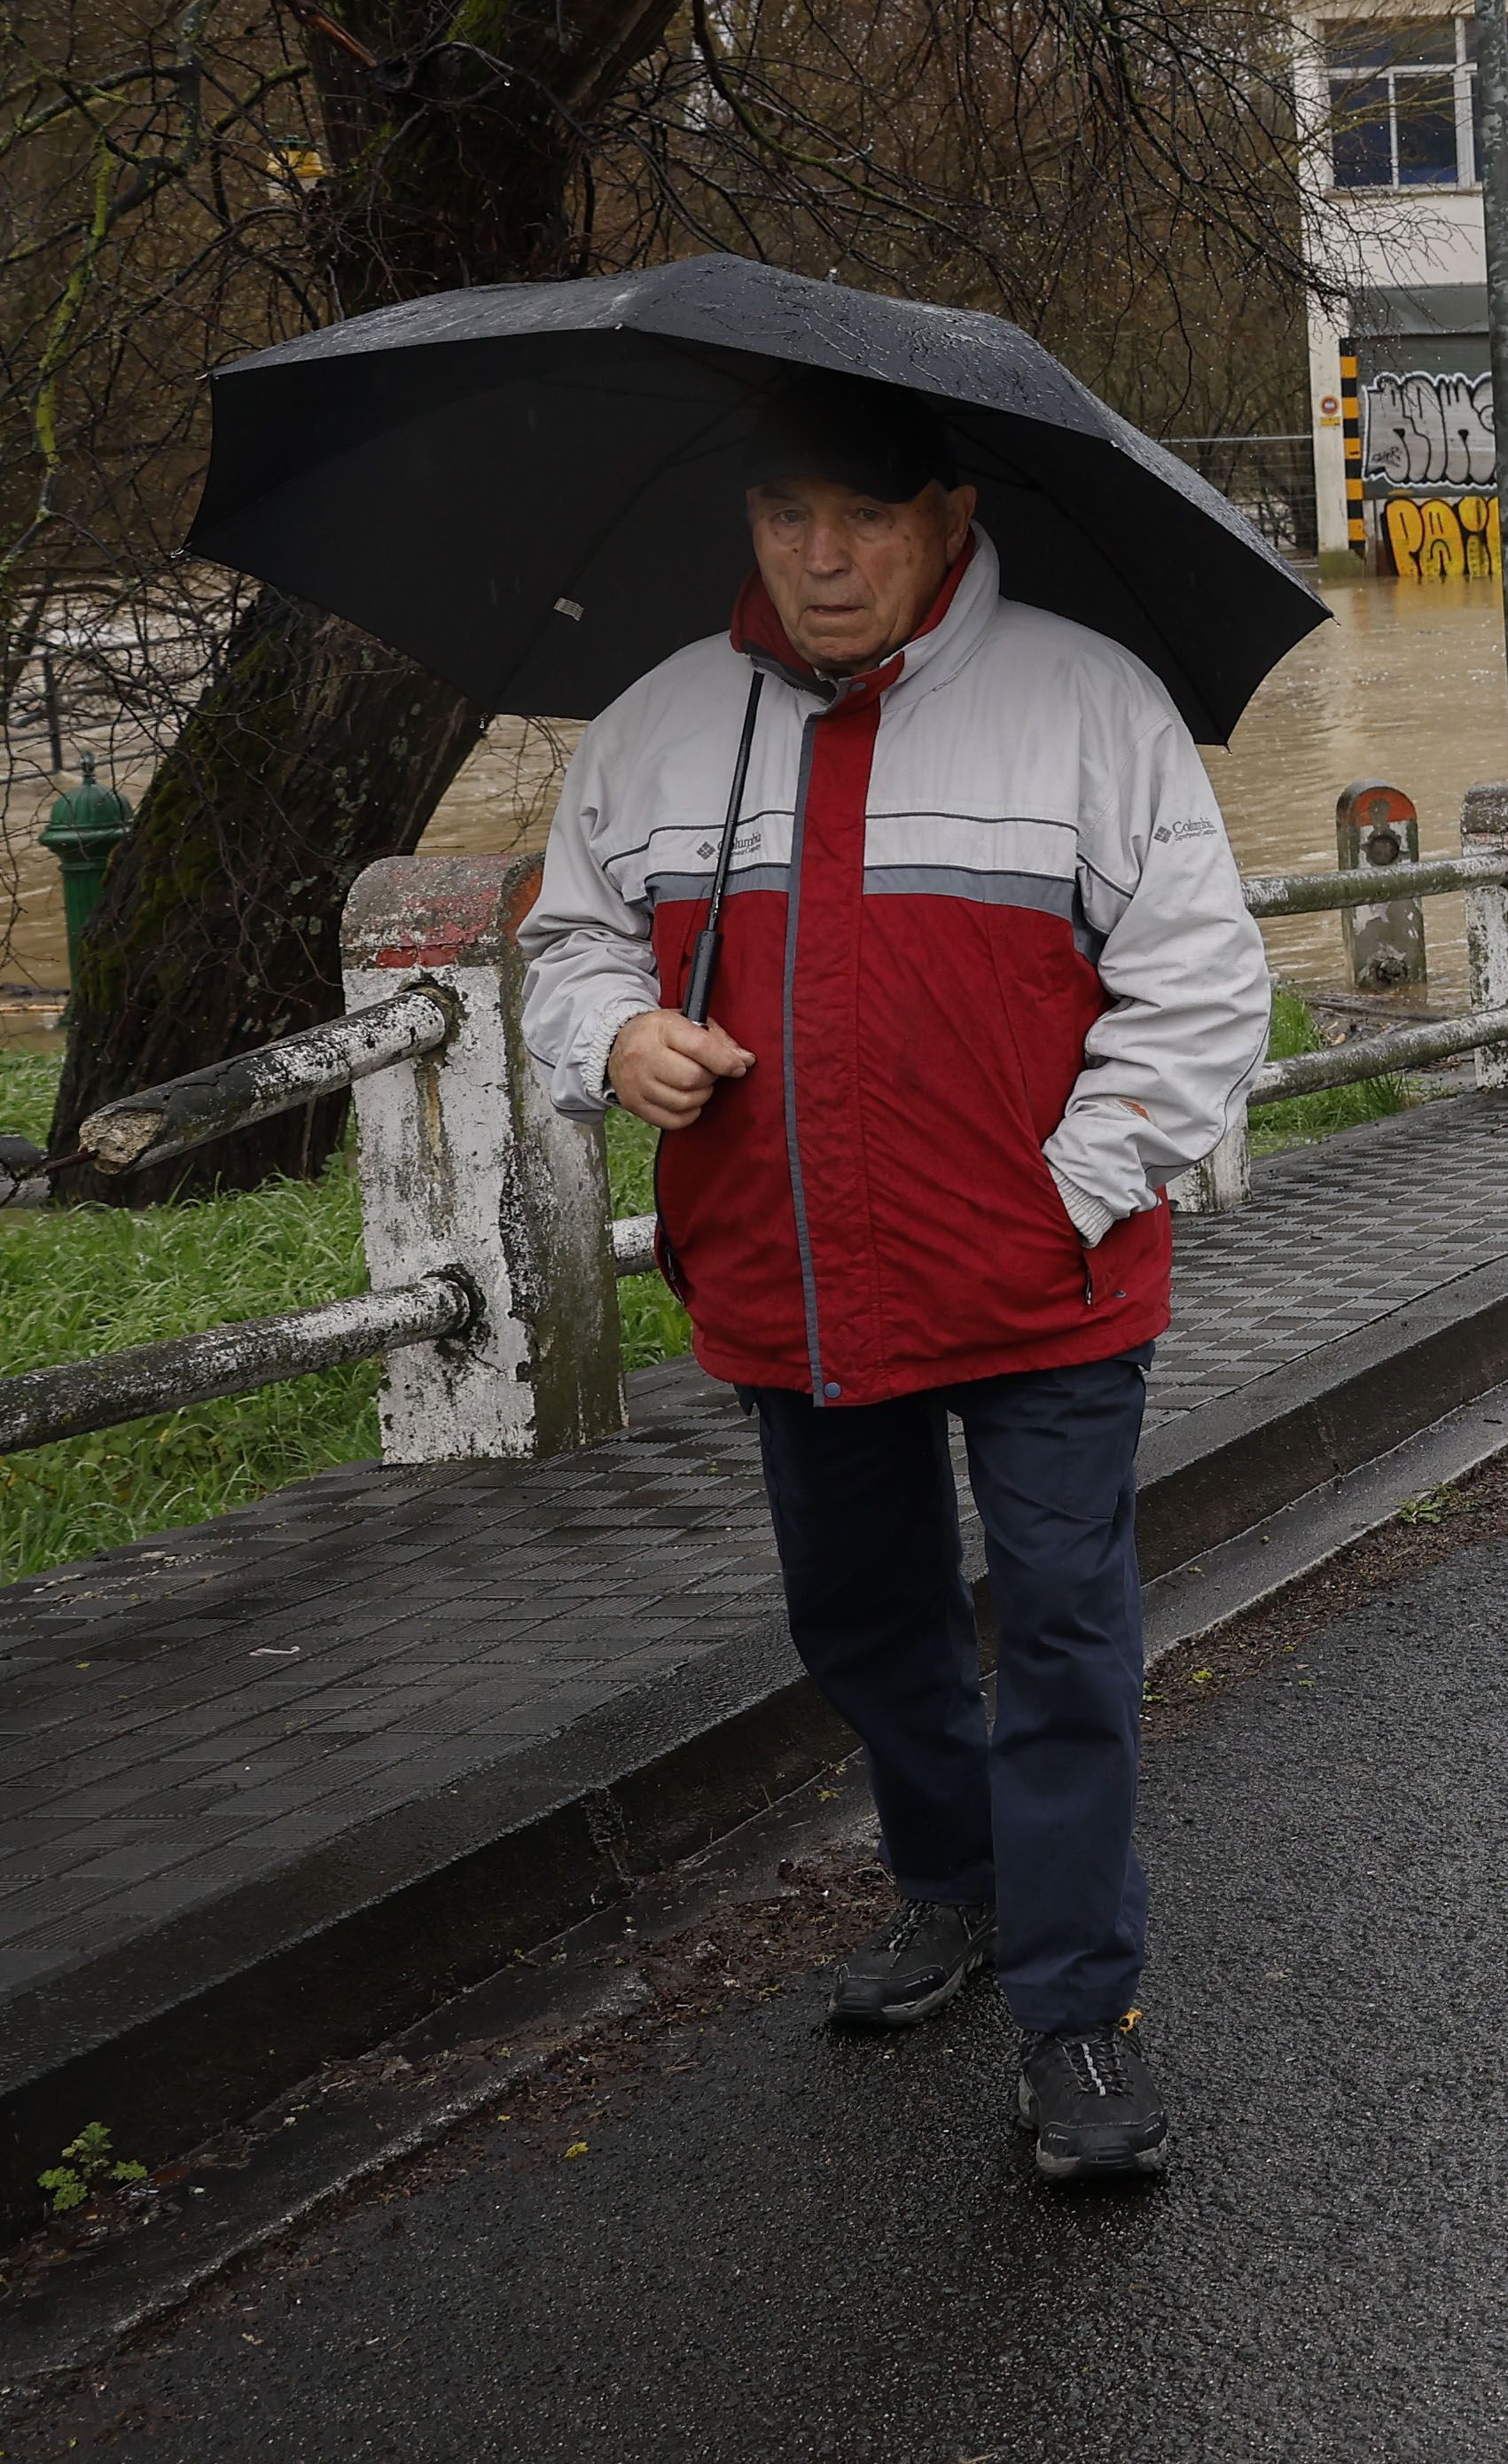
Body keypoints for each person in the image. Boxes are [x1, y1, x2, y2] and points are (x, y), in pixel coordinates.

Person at [517, 380, 1272, 2183]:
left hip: (1042, 1288)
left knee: (1068, 1636)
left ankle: (1080, 2013)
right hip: (789, 1278)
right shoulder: (661, 724)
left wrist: (1071, 1191)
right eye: (786, 515)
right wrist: (612, 1029)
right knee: (864, 1621)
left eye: (861, 516)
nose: (823, 555)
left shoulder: (1090, 704)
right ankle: (957, 1880)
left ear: (945, 514)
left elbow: (1202, 979)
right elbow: (567, 940)